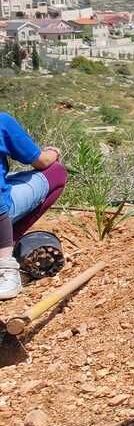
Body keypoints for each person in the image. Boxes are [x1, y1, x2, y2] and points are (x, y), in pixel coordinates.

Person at [0, 112, 68, 299]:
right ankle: (6, 260)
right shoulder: (2, 121)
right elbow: (42, 161)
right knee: (57, 173)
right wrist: (54, 152)